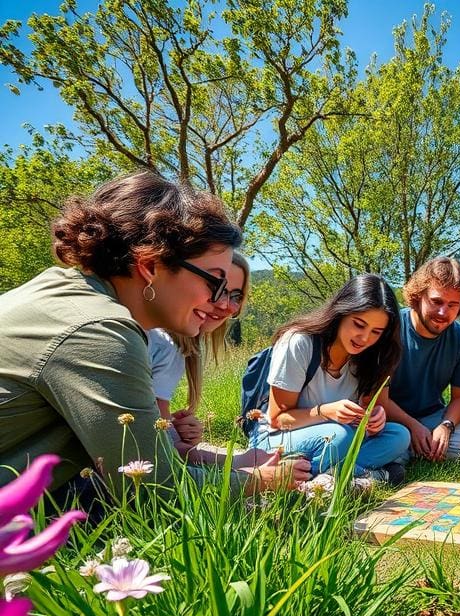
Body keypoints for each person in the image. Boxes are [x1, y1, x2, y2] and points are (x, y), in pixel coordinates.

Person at [0, 171, 310, 499]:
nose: (223, 303)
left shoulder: (60, 291)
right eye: (215, 281)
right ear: (150, 266)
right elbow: (153, 487)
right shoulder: (99, 332)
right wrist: (261, 480)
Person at [250, 273, 410, 489]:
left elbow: (372, 409)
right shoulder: (299, 343)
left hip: (339, 438)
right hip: (279, 437)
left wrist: (375, 419)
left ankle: (329, 478)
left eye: (376, 332)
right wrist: (324, 412)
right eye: (359, 324)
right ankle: (368, 476)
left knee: (399, 435)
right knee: (338, 436)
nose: (364, 338)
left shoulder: (374, 355)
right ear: (341, 312)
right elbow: (278, 419)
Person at [149, 251, 251, 460]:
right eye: (216, 288)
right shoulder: (162, 342)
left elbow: (153, 429)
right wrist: (247, 462)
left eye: (236, 296)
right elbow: (158, 450)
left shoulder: (176, 345)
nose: (226, 306)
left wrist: (174, 430)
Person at [384, 257, 460, 461]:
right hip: (388, 416)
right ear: (418, 296)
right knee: (393, 442)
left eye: (453, 305)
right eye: (436, 301)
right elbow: (376, 398)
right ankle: (408, 446)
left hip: (433, 416)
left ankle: (415, 448)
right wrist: (412, 426)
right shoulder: (389, 329)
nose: (443, 312)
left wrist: (447, 426)